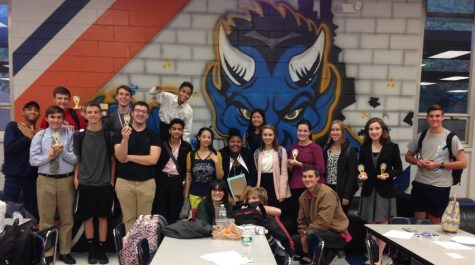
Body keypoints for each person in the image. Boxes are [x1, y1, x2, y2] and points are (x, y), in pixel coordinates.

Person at [30, 105, 78, 264]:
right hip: (45, 180)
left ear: (63, 119)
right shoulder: (40, 136)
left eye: (59, 117)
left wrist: (63, 152)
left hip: (66, 180)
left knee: (67, 218)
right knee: (46, 219)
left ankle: (65, 251)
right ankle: (48, 252)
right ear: (47, 118)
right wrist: (48, 157)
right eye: (52, 117)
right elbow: (33, 160)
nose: (56, 120)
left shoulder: (70, 135)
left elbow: (76, 159)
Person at [405, 104, 467, 224]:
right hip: (420, 183)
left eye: (438, 116)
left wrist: (439, 165)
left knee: (435, 222)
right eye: (431, 116)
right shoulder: (421, 136)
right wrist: (418, 161)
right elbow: (408, 156)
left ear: (443, 117)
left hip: (440, 186)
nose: (434, 119)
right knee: (418, 221)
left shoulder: (451, 138)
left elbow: (463, 163)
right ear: (427, 118)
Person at [73, 103, 115, 264]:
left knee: (103, 218)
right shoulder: (79, 135)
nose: (92, 115)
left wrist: (111, 180)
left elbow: (113, 160)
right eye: (89, 112)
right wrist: (76, 178)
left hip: (104, 184)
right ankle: (92, 251)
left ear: (100, 114)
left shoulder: (108, 135)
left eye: (95, 112)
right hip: (85, 183)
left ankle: (102, 251)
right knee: (88, 218)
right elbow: (77, 159)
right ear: (85, 114)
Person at [358, 117, 402, 265]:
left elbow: (398, 168)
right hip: (369, 191)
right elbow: (360, 166)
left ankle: (378, 259)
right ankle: (371, 256)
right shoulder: (364, 147)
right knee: (370, 226)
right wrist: (361, 175)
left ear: (383, 130)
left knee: (382, 225)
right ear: (367, 131)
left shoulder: (392, 147)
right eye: (371, 129)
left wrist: (389, 174)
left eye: (377, 128)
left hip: (385, 191)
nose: (374, 131)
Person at [114, 101, 161, 232]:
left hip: (146, 183)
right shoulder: (121, 133)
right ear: (132, 113)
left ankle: (143, 251)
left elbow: (153, 160)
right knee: (128, 219)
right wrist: (125, 139)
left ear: (147, 116)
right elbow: (121, 158)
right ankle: (131, 251)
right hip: (124, 182)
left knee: (144, 220)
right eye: (138, 111)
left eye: (144, 112)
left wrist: (130, 157)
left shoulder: (153, 136)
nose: (140, 113)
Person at [296, 165, 350, 265]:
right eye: (304, 176)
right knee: (294, 240)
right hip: (315, 231)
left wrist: (305, 233)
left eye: (310, 176)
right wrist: (302, 235)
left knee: (311, 234)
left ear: (317, 178)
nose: (307, 179)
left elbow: (323, 222)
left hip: (337, 234)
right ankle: (320, 258)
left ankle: (317, 260)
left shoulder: (327, 193)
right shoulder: (302, 197)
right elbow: (301, 220)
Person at [2, 101, 40, 218]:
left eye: (36, 109)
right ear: (23, 112)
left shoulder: (38, 133)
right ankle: (6, 236)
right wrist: (27, 137)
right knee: (8, 211)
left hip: (31, 179)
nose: (33, 111)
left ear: (39, 114)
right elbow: (9, 149)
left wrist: (33, 135)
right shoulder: (13, 126)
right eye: (29, 109)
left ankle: (30, 235)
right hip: (14, 178)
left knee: (31, 212)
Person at [287, 120, 325, 234]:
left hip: (312, 188)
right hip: (296, 187)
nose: (302, 133)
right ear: (296, 131)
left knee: (311, 218)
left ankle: (311, 245)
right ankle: (298, 244)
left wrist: (301, 165)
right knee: (297, 217)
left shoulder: (315, 147)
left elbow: (321, 170)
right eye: (300, 130)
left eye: (305, 131)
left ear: (309, 132)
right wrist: (290, 165)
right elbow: (291, 170)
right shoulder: (293, 147)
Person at [154, 118, 191, 224]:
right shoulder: (162, 144)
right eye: (174, 129)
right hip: (162, 179)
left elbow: (187, 168)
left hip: (177, 181)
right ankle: (161, 236)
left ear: (183, 131)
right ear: (169, 130)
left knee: (174, 211)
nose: (177, 131)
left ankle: (172, 235)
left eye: (180, 129)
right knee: (161, 210)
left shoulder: (186, 147)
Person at [184, 127, 224, 212]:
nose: (206, 139)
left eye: (209, 137)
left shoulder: (217, 154)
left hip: (211, 194)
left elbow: (220, 177)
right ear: (199, 137)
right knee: (196, 219)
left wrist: (216, 162)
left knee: (210, 219)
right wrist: (186, 196)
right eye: (204, 137)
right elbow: (188, 177)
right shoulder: (191, 155)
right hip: (194, 194)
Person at [323, 120, 358, 214]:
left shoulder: (349, 150)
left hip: (342, 191)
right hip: (328, 189)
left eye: (337, 130)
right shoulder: (326, 148)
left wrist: (346, 195)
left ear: (342, 132)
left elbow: (352, 174)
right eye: (332, 130)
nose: (334, 132)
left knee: (341, 219)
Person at [254, 125, 291, 207]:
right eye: (265, 135)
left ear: (275, 136)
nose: (267, 137)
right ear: (261, 136)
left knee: (276, 212)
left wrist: (282, 193)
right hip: (262, 185)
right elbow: (257, 174)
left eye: (270, 135)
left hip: (276, 186)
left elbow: (284, 173)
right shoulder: (257, 152)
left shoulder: (281, 150)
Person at [219, 128, 257, 198]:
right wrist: (228, 197)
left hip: (247, 193)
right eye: (232, 141)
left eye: (238, 142)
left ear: (242, 143)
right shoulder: (221, 154)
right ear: (228, 142)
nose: (235, 144)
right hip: (226, 195)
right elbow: (220, 178)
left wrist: (245, 193)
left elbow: (253, 175)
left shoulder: (248, 153)